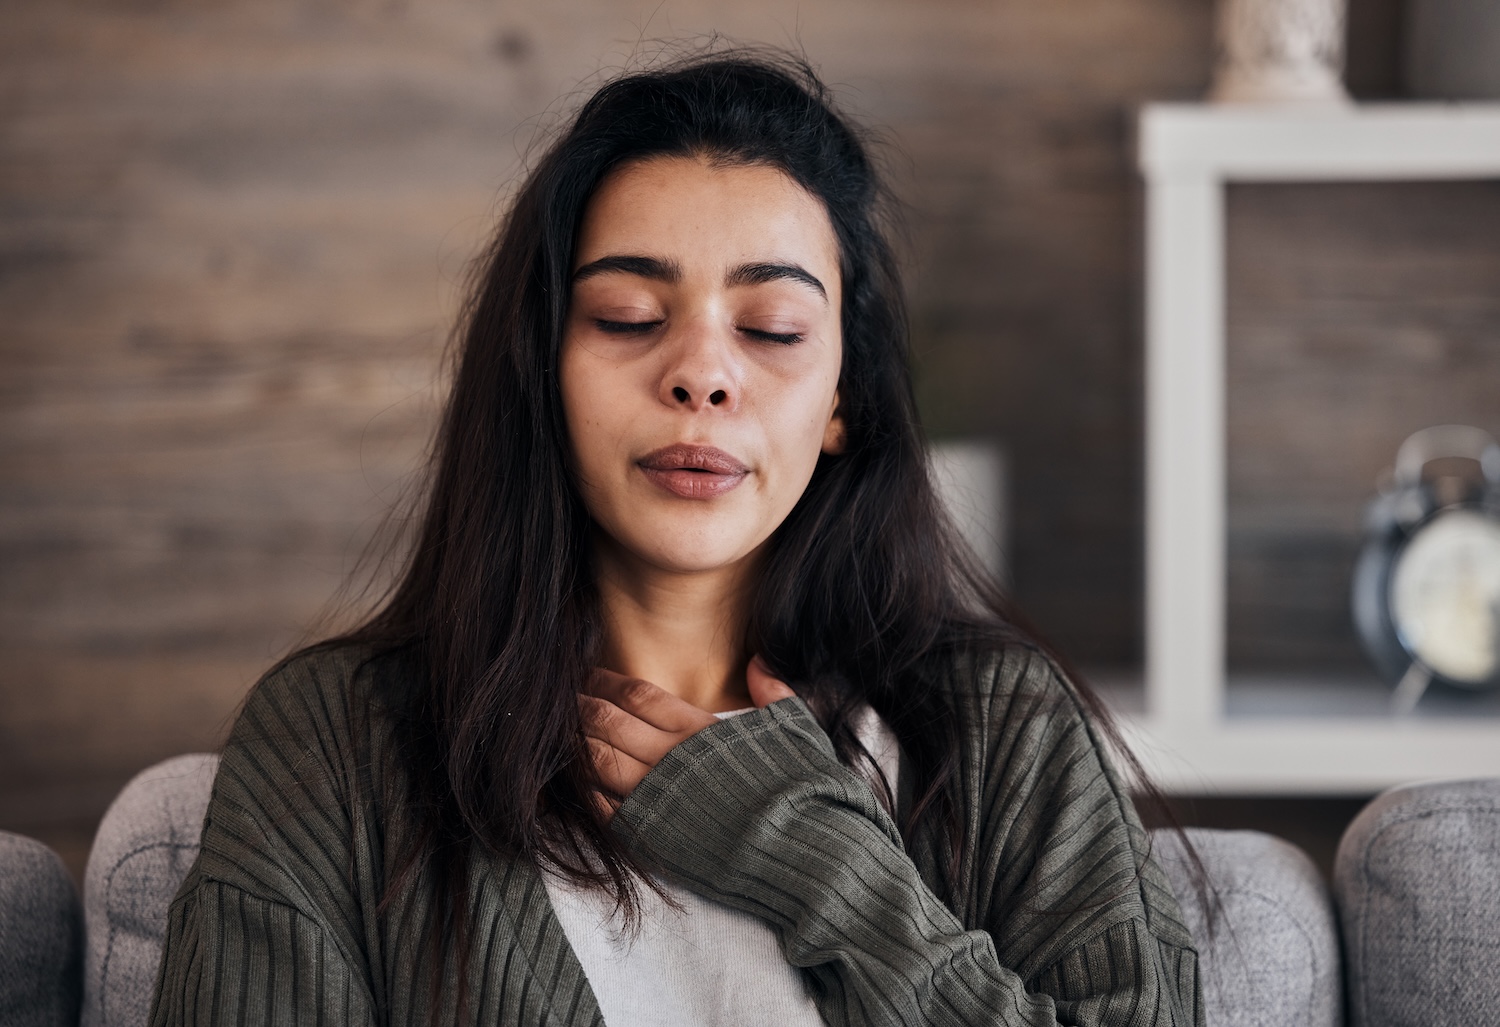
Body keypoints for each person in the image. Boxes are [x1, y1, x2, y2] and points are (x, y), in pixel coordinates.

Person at [149, 49, 1203, 1027]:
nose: (701, 374)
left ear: (843, 397)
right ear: (542, 370)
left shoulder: (1000, 730)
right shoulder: (331, 747)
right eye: (626, 316)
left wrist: (824, 867)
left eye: (773, 330)